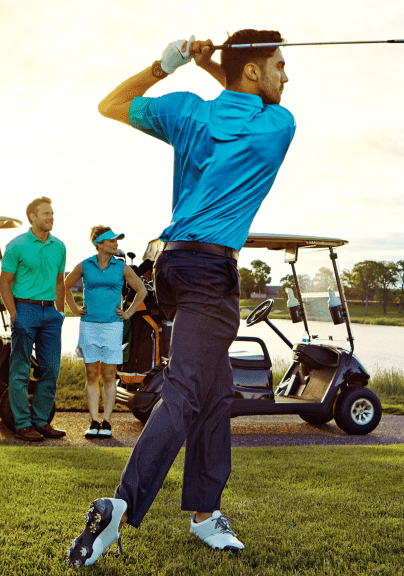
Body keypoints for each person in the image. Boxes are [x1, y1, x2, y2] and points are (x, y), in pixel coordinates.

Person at [67, 29, 294, 567]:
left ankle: (205, 514)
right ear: (257, 72)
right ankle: (118, 506)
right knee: (189, 392)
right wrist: (217, 64)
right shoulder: (277, 125)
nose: (288, 76)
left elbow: (112, 104)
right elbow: (250, 95)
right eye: (280, 67)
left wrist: (171, 64)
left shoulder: (188, 112)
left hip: (169, 264)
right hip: (212, 270)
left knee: (216, 392)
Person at [64, 226, 148, 439]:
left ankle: (107, 422)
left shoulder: (121, 267)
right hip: (89, 326)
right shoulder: (85, 265)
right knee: (91, 374)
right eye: (111, 240)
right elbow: (65, 286)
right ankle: (93, 421)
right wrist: (74, 309)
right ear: (99, 243)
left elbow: (142, 290)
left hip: (112, 327)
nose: (116, 243)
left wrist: (128, 313)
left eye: (116, 240)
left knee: (109, 375)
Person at [0, 197, 69, 442]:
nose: (50, 217)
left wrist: (60, 313)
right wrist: (14, 314)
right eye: (45, 213)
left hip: (50, 314)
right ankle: (22, 423)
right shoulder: (16, 245)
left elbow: (60, 282)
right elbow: (4, 283)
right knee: (20, 370)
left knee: (50, 369)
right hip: (24, 310)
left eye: (52, 213)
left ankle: (41, 421)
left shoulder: (59, 246)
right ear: (32, 217)